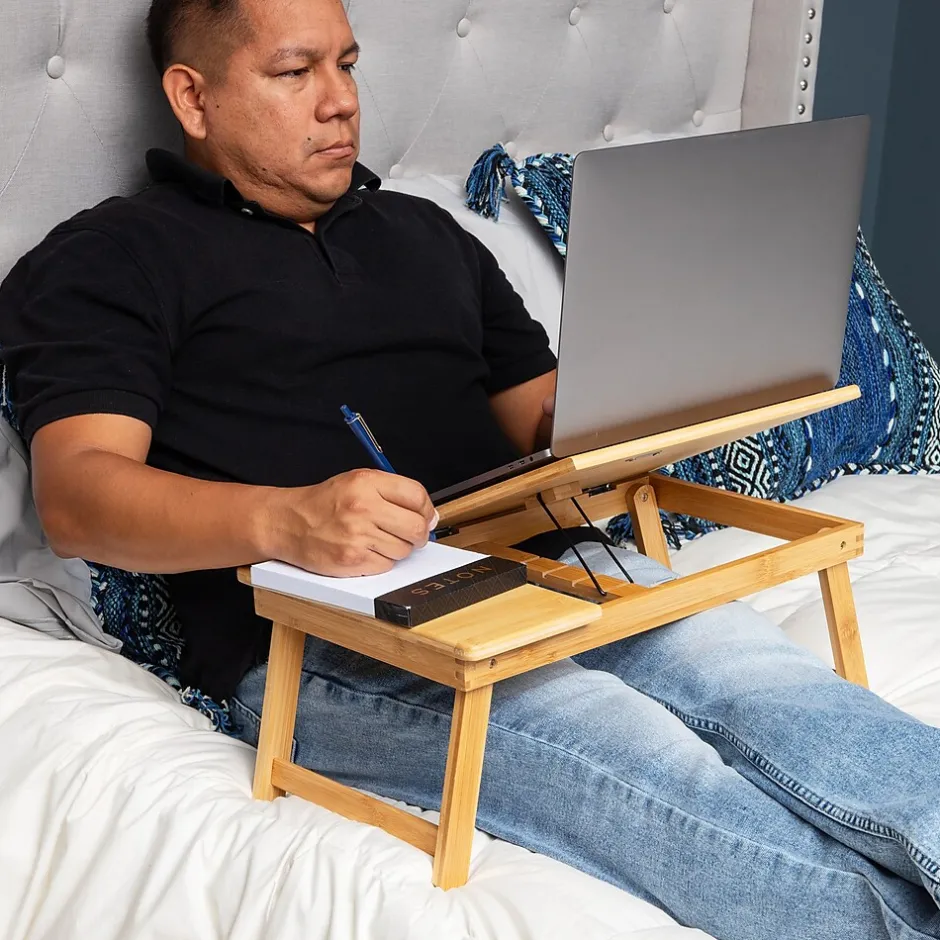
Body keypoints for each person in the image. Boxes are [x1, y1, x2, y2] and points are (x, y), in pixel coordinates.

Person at [0, 0, 938, 936]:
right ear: (192, 98)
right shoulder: (109, 258)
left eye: (347, 64)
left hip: (554, 567)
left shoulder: (424, 232)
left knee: (775, 688)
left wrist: (646, 402)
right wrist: (289, 520)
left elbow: (544, 420)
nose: (340, 101)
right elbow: (79, 497)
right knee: (650, 769)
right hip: (334, 640)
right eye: (294, 72)